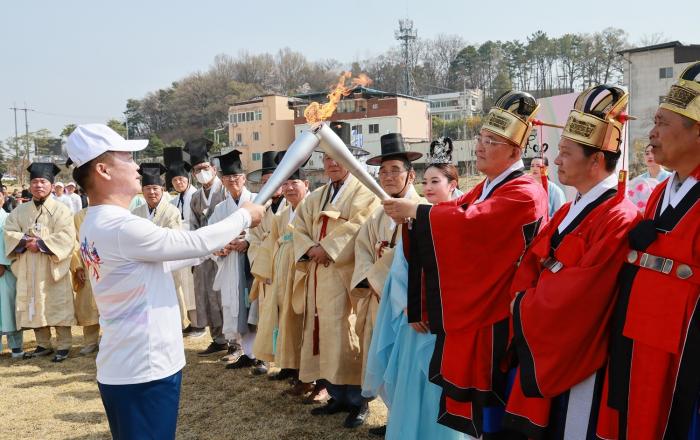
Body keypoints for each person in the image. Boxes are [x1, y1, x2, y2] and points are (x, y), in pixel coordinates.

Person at [65, 123, 263, 440]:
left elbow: (160, 258)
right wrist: (244, 216)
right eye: (127, 158)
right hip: (144, 367)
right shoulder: (120, 226)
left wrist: (211, 250)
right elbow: (193, 241)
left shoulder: (95, 221)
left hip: (126, 364)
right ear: (103, 169)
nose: (136, 167)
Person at [382, 91, 549, 437]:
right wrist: (416, 216)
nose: (480, 147)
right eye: (480, 138)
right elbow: (453, 212)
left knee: (497, 411)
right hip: (482, 310)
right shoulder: (489, 186)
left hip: (499, 313)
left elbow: (471, 222)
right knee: (482, 413)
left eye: (491, 141)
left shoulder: (525, 191)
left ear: (515, 151)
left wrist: (418, 213)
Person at [502, 85, 641, 438]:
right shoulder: (568, 208)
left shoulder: (620, 216)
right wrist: (524, 295)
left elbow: (585, 289)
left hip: (580, 344)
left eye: (565, 152)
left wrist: (525, 304)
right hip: (546, 327)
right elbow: (533, 259)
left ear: (596, 160)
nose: (557, 160)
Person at [608, 61, 700, 440]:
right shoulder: (661, 191)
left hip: (684, 345)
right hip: (641, 334)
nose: (652, 133)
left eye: (662, 123)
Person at [364, 162, 467, 440]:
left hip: (450, 321)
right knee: (413, 384)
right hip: (417, 321)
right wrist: (410, 307)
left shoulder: (463, 221)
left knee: (443, 385)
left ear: (452, 185)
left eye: (435, 181)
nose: (428, 187)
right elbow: (400, 271)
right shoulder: (414, 222)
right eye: (425, 182)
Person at [292, 121, 380, 428]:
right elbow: (298, 226)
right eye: (327, 158)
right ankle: (337, 394)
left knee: (348, 333)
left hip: (345, 275)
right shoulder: (317, 195)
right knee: (325, 335)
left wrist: (327, 248)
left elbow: (361, 225)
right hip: (319, 275)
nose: (332, 163)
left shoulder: (365, 192)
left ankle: (359, 400)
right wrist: (310, 248)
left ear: (350, 158)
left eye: (338, 157)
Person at [350, 132, 423, 432]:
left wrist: (378, 277)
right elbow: (362, 249)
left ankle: (404, 422)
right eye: (383, 171)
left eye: (395, 170)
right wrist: (372, 280)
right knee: (382, 359)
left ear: (411, 175)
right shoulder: (377, 214)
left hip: (406, 303)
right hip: (378, 299)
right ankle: (393, 418)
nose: (389, 177)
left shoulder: (422, 209)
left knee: (405, 364)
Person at [4, 163, 76, 362]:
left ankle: (64, 345)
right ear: (30, 185)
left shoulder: (61, 210)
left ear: (51, 185)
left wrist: (41, 243)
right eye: (35, 182)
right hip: (29, 265)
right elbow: (9, 231)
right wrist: (25, 241)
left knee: (57, 302)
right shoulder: (20, 211)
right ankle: (43, 344)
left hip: (52, 265)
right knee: (34, 302)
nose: (38, 185)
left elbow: (67, 236)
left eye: (43, 182)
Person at [251, 161, 311, 392]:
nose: (289, 188)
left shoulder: (312, 209)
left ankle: (309, 376)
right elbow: (269, 243)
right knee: (286, 322)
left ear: (306, 184)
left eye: (294, 183)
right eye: (285, 184)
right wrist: (265, 272)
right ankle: (293, 368)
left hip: (302, 272)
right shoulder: (283, 214)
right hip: (282, 275)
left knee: (304, 321)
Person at [207, 149, 260, 371]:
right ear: (222, 180)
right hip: (231, 263)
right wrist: (219, 249)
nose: (232, 180)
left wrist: (248, 242)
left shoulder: (257, 201)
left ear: (244, 178)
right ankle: (246, 352)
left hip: (253, 264)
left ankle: (261, 355)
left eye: (236, 176)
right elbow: (210, 235)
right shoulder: (221, 208)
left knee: (255, 307)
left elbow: (267, 232)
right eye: (227, 177)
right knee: (236, 308)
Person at [132, 163, 193, 333]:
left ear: (162, 189)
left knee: (170, 299)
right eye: (147, 188)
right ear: (142, 190)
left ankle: (176, 329)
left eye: (155, 188)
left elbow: (173, 238)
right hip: (144, 266)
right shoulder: (136, 212)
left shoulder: (172, 211)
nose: (151, 192)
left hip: (166, 266)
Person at [185, 138, 230, 357]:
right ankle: (217, 338)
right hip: (204, 255)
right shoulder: (195, 197)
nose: (201, 173)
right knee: (207, 295)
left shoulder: (225, 191)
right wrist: (198, 249)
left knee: (225, 297)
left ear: (213, 168)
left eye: (204, 168)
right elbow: (193, 225)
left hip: (224, 251)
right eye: (197, 170)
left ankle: (233, 340)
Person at [248, 150, 287, 376]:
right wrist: (262, 266)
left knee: (286, 318)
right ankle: (264, 358)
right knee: (266, 317)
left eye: (273, 180)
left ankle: (286, 361)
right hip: (266, 272)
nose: (269, 186)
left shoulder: (292, 206)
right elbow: (253, 239)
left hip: (284, 269)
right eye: (264, 182)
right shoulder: (259, 207)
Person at [163, 147, 201, 337]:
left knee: (193, 287)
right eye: (175, 180)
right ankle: (189, 321)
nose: (179, 182)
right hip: (179, 248)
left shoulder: (196, 196)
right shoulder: (173, 201)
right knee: (182, 287)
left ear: (188, 179)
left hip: (193, 246)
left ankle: (199, 324)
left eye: (181, 179)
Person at [71, 207, 101, 355]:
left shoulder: (115, 210)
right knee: (88, 306)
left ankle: (110, 341)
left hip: (110, 265)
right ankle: (90, 342)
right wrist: (78, 267)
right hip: (87, 265)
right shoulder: (79, 216)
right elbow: (74, 243)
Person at [0, 188, 23, 358]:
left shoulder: (9, 218)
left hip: (6, 270)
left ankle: (16, 346)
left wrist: (2, 262)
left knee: (10, 307)